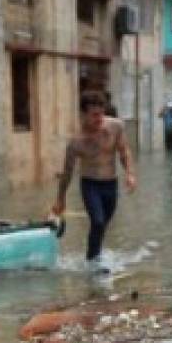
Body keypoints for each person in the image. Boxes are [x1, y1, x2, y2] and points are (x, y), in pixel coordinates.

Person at [52, 91, 136, 265]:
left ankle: (94, 256)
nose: (99, 119)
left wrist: (129, 173)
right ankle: (92, 263)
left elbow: (124, 151)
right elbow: (67, 172)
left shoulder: (115, 127)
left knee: (103, 224)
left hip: (111, 184)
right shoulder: (76, 142)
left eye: (101, 114)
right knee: (97, 221)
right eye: (94, 115)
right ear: (83, 115)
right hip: (90, 185)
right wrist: (60, 199)